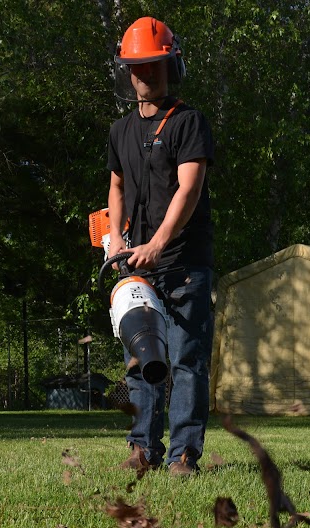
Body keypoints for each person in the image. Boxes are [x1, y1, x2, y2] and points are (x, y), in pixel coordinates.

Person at [106, 16, 215, 476]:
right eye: (136, 67)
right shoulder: (120, 131)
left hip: (184, 262)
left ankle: (184, 455)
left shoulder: (188, 122)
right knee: (140, 358)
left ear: (171, 67)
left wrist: (158, 242)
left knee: (187, 359)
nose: (144, 76)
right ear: (125, 71)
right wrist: (117, 241)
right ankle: (142, 449)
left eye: (152, 66)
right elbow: (115, 187)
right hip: (138, 267)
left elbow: (188, 190)